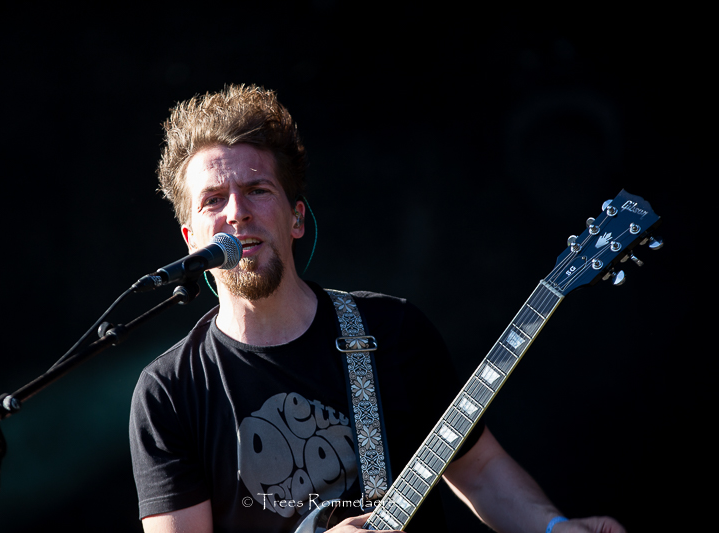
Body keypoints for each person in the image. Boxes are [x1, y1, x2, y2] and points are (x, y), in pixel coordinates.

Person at [128, 84, 625, 533]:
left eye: (257, 190)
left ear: (297, 219)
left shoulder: (393, 333)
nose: (237, 212)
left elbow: (479, 470)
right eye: (214, 200)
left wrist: (554, 527)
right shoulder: (170, 392)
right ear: (191, 239)